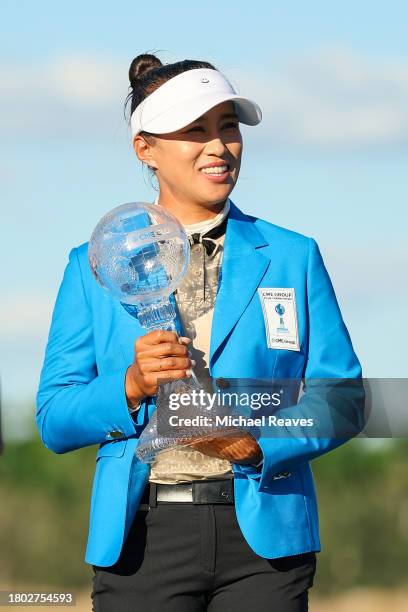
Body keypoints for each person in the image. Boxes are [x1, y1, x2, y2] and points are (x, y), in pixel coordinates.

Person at [36, 53, 363, 611]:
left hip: (267, 544)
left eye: (228, 127)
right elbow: (54, 417)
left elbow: (345, 397)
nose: (218, 147)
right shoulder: (90, 264)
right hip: (141, 539)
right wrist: (132, 385)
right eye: (194, 131)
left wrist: (256, 445)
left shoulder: (291, 255)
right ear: (145, 148)